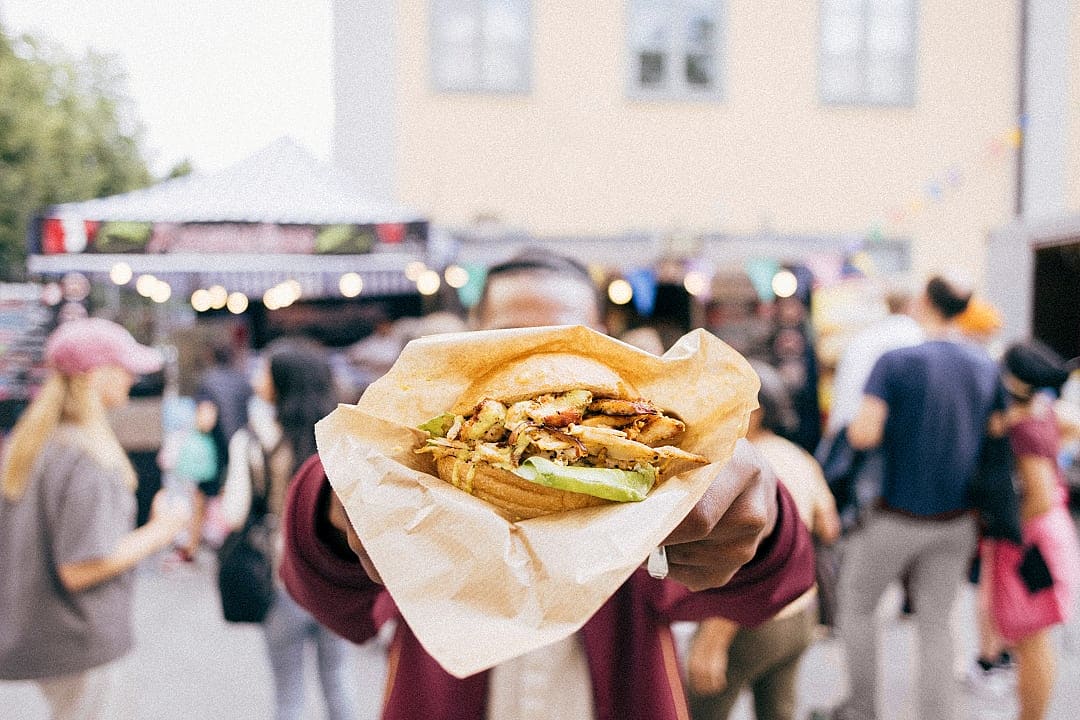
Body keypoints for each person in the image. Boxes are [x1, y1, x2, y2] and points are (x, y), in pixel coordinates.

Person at [279, 251, 817, 720]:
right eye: (511, 340)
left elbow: (773, 587)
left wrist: (764, 529)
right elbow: (323, 595)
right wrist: (331, 496)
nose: (539, 360)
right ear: (472, 344)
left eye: (563, 339)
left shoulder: (649, 471)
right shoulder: (423, 467)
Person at [829, 272, 1006, 720]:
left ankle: (862, 709)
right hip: (957, 520)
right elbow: (995, 436)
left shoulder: (896, 362)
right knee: (938, 627)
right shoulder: (985, 366)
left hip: (894, 515)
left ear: (923, 304)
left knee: (858, 609)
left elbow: (865, 433)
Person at [0, 318, 188, 719]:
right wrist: (161, 531)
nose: (130, 377)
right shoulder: (86, 455)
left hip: (48, 636)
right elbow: (81, 566)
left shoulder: (36, 442)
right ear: (95, 374)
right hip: (81, 639)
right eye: (122, 367)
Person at [686, 361, 840, 720]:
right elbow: (829, 526)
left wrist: (711, 642)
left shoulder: (743, 466)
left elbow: (746, 559)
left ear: (755, 412)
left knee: (698, 713)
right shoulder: (797, 455)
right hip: (800, 616)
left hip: (749, 621)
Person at [221, 343, 357, 720]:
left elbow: (233, 514)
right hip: (334, 578)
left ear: (284, 382)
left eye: (262, 371)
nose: (255, 378)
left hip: (282, 579)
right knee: (337, 680)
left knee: (289, 695)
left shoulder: (250, 441)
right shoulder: (341, 437)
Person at [971, 340, 1079, 720]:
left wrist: (1006, 528)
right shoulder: (1039, 412)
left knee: (1032, 640)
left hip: (1033, 543)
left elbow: (1040, 498)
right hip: (1042, 537)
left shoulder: (1028, 428)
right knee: (1031, 638)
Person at [183, 341, 252, 561]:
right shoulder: (243, 381)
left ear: (211, 357)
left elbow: (205, 421)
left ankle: (192, 548)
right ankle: (234, 544)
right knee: (235, 495)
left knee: (201, 499)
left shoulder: (208, 381)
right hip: (242, 448)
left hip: (215, 451)